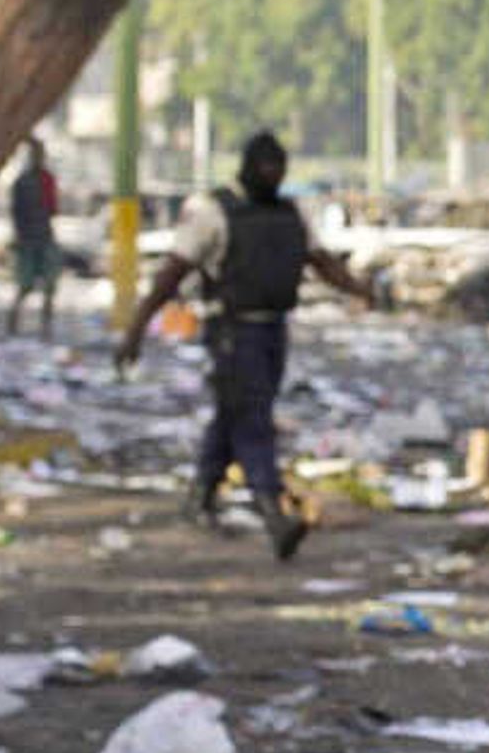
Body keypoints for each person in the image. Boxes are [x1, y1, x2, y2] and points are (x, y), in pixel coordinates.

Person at [116, 130, 367, 559]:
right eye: (267, 168)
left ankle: (200, 496)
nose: (273, 175)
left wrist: (359, 289)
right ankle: (273, 512)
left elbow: (320, 261)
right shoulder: (214, 213)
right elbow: (172, 274)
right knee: (254, 418)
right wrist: (137, 327)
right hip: (233, 331)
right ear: (249, 168)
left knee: (235, 412)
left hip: (274, 329)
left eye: (279, 168)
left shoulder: (290, 212)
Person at [4, 137, 64, 338]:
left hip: (41, 236)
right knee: (26, 285)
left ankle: (44, 328)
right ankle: (15, 322)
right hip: (31, 238)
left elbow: (52, 208)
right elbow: (17, 212)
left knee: (47, 286)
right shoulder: (25, 181)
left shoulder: (42, 180)